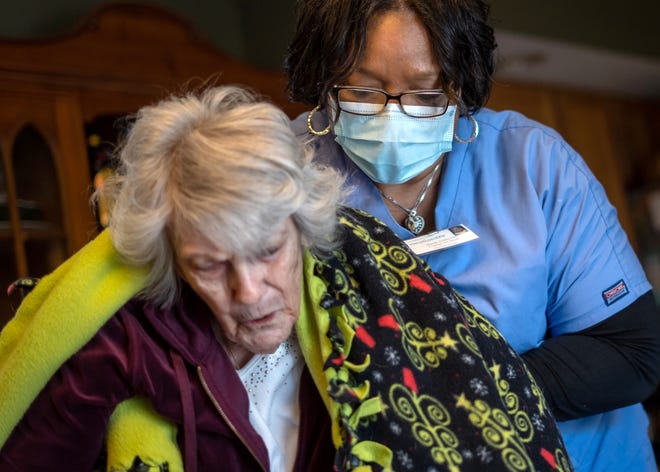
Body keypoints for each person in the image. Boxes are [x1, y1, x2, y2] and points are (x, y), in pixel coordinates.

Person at [0, 86, 571, 471]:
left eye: (268, 250)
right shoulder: (124, 341)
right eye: (209, 265)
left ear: (302, 228)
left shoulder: (367, 294)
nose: (248, 294)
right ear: (172, 258)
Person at [284, 1, 660, 470]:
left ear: (460, 88)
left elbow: (630, 353)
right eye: (362, 90)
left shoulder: (533, 163)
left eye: (425, 94)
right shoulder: (286, 177)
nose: (391, 117)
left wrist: (445, 400)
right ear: (322, 77)